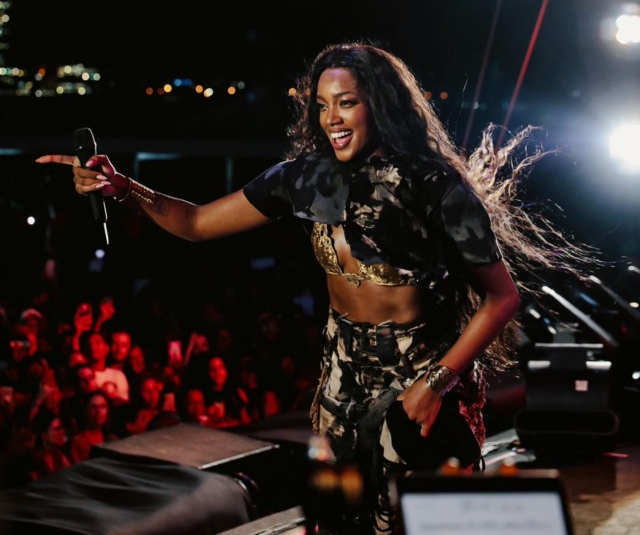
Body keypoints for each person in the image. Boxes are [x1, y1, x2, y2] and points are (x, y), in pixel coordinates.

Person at [36, 40, 588, 535]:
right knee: (338, 514)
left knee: (414, 519)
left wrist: (435, 384)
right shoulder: (303, 179)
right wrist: (122, 187)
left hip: (418, 372)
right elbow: (197, 223)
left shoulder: (434, 186)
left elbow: (502, 297)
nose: (332, 119)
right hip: (341, 373)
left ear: (380, 104)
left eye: (346, 102)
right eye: (322, 106)